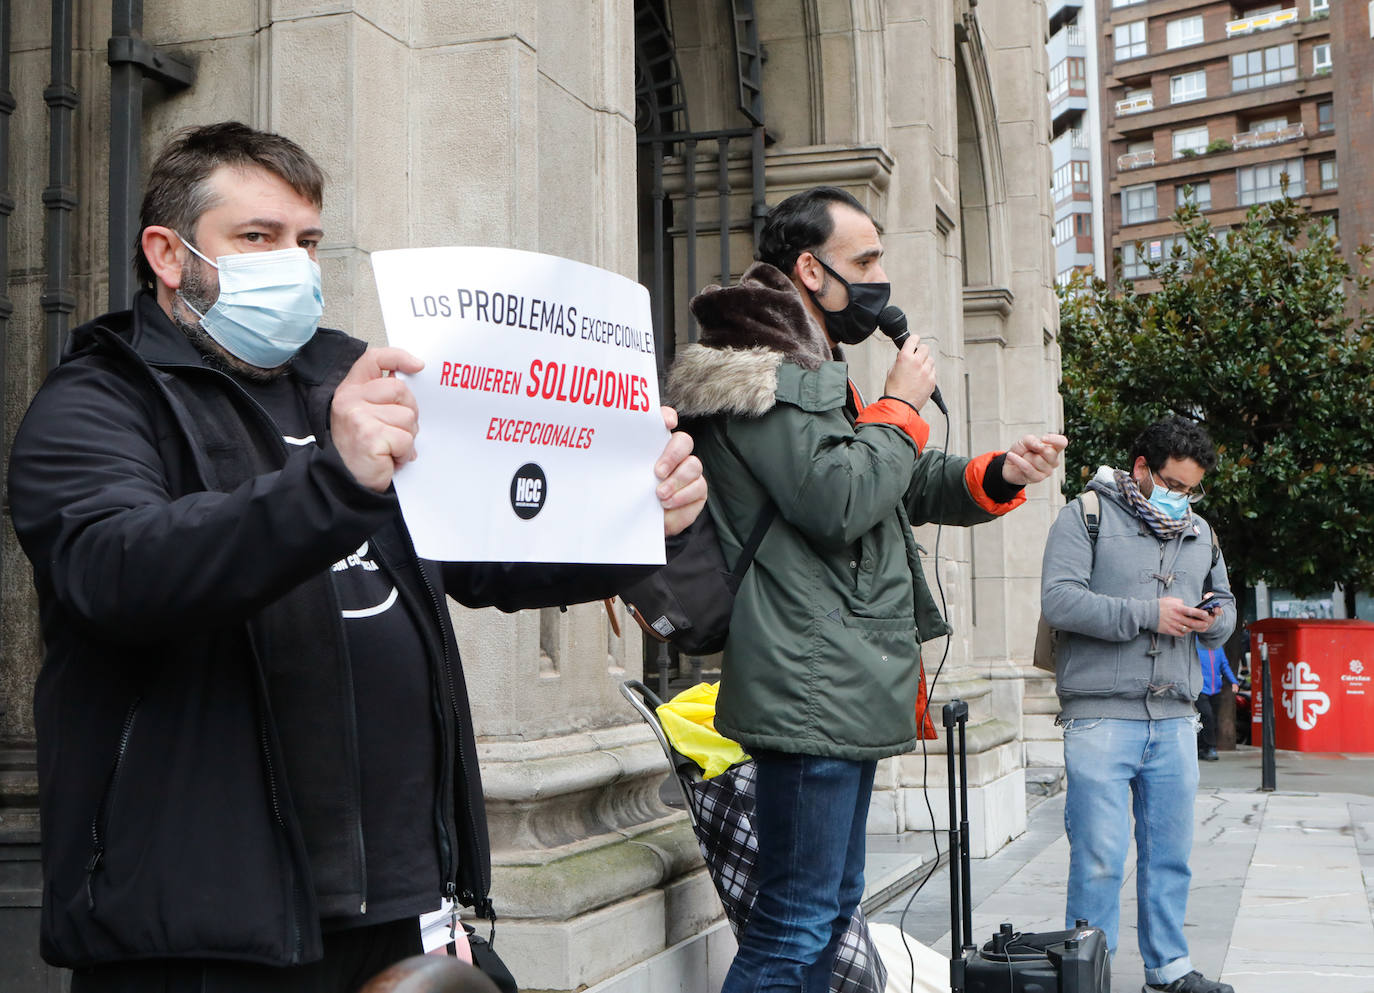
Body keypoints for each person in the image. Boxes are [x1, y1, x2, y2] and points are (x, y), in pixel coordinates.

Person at [7, 122, 706, 993]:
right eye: (256, 238)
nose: (292, 266)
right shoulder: (98, 403)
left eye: (306, 242)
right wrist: (332, 482)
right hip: (206, 931)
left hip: (402, 907)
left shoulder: (351, 377)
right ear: (169, 253)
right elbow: (117, 572)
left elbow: (489, 552)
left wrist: (641, 517)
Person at [664, 185, 1066, 992]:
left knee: (827, 909)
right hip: (811, 677)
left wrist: (997, 473)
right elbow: (839, 498)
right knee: (794, 922)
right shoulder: (766, 370)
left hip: (834, 675)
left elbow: (895, 483)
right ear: (810, 269)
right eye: (867, 261)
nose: (882, 279)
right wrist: (900, 405)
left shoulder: (812, 366)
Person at [1041, 417, 1237, 993]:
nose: (1182, 499)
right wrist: (1147, 613)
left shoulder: (1201, 532)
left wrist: (1215, 619)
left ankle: (1169, 970)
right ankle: (1089, 976)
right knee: (1099, 857)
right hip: (1100, 713)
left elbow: (1223, 606)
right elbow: (1059, 600)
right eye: (1172, 485)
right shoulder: (1086, 516)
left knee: (1171, 857)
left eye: (1191, 489)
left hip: (1176, 715)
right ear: (1141, 468)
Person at [1195, 641, 1239, 761]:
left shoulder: (1217, 648)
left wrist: (1233, 681)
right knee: (1207, 715)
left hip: (1215, 689)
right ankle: (1210, 747)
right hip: (1200, 688)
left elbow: (1224, 665)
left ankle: (1202, 747)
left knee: (1211, 719)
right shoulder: (1195, 646)